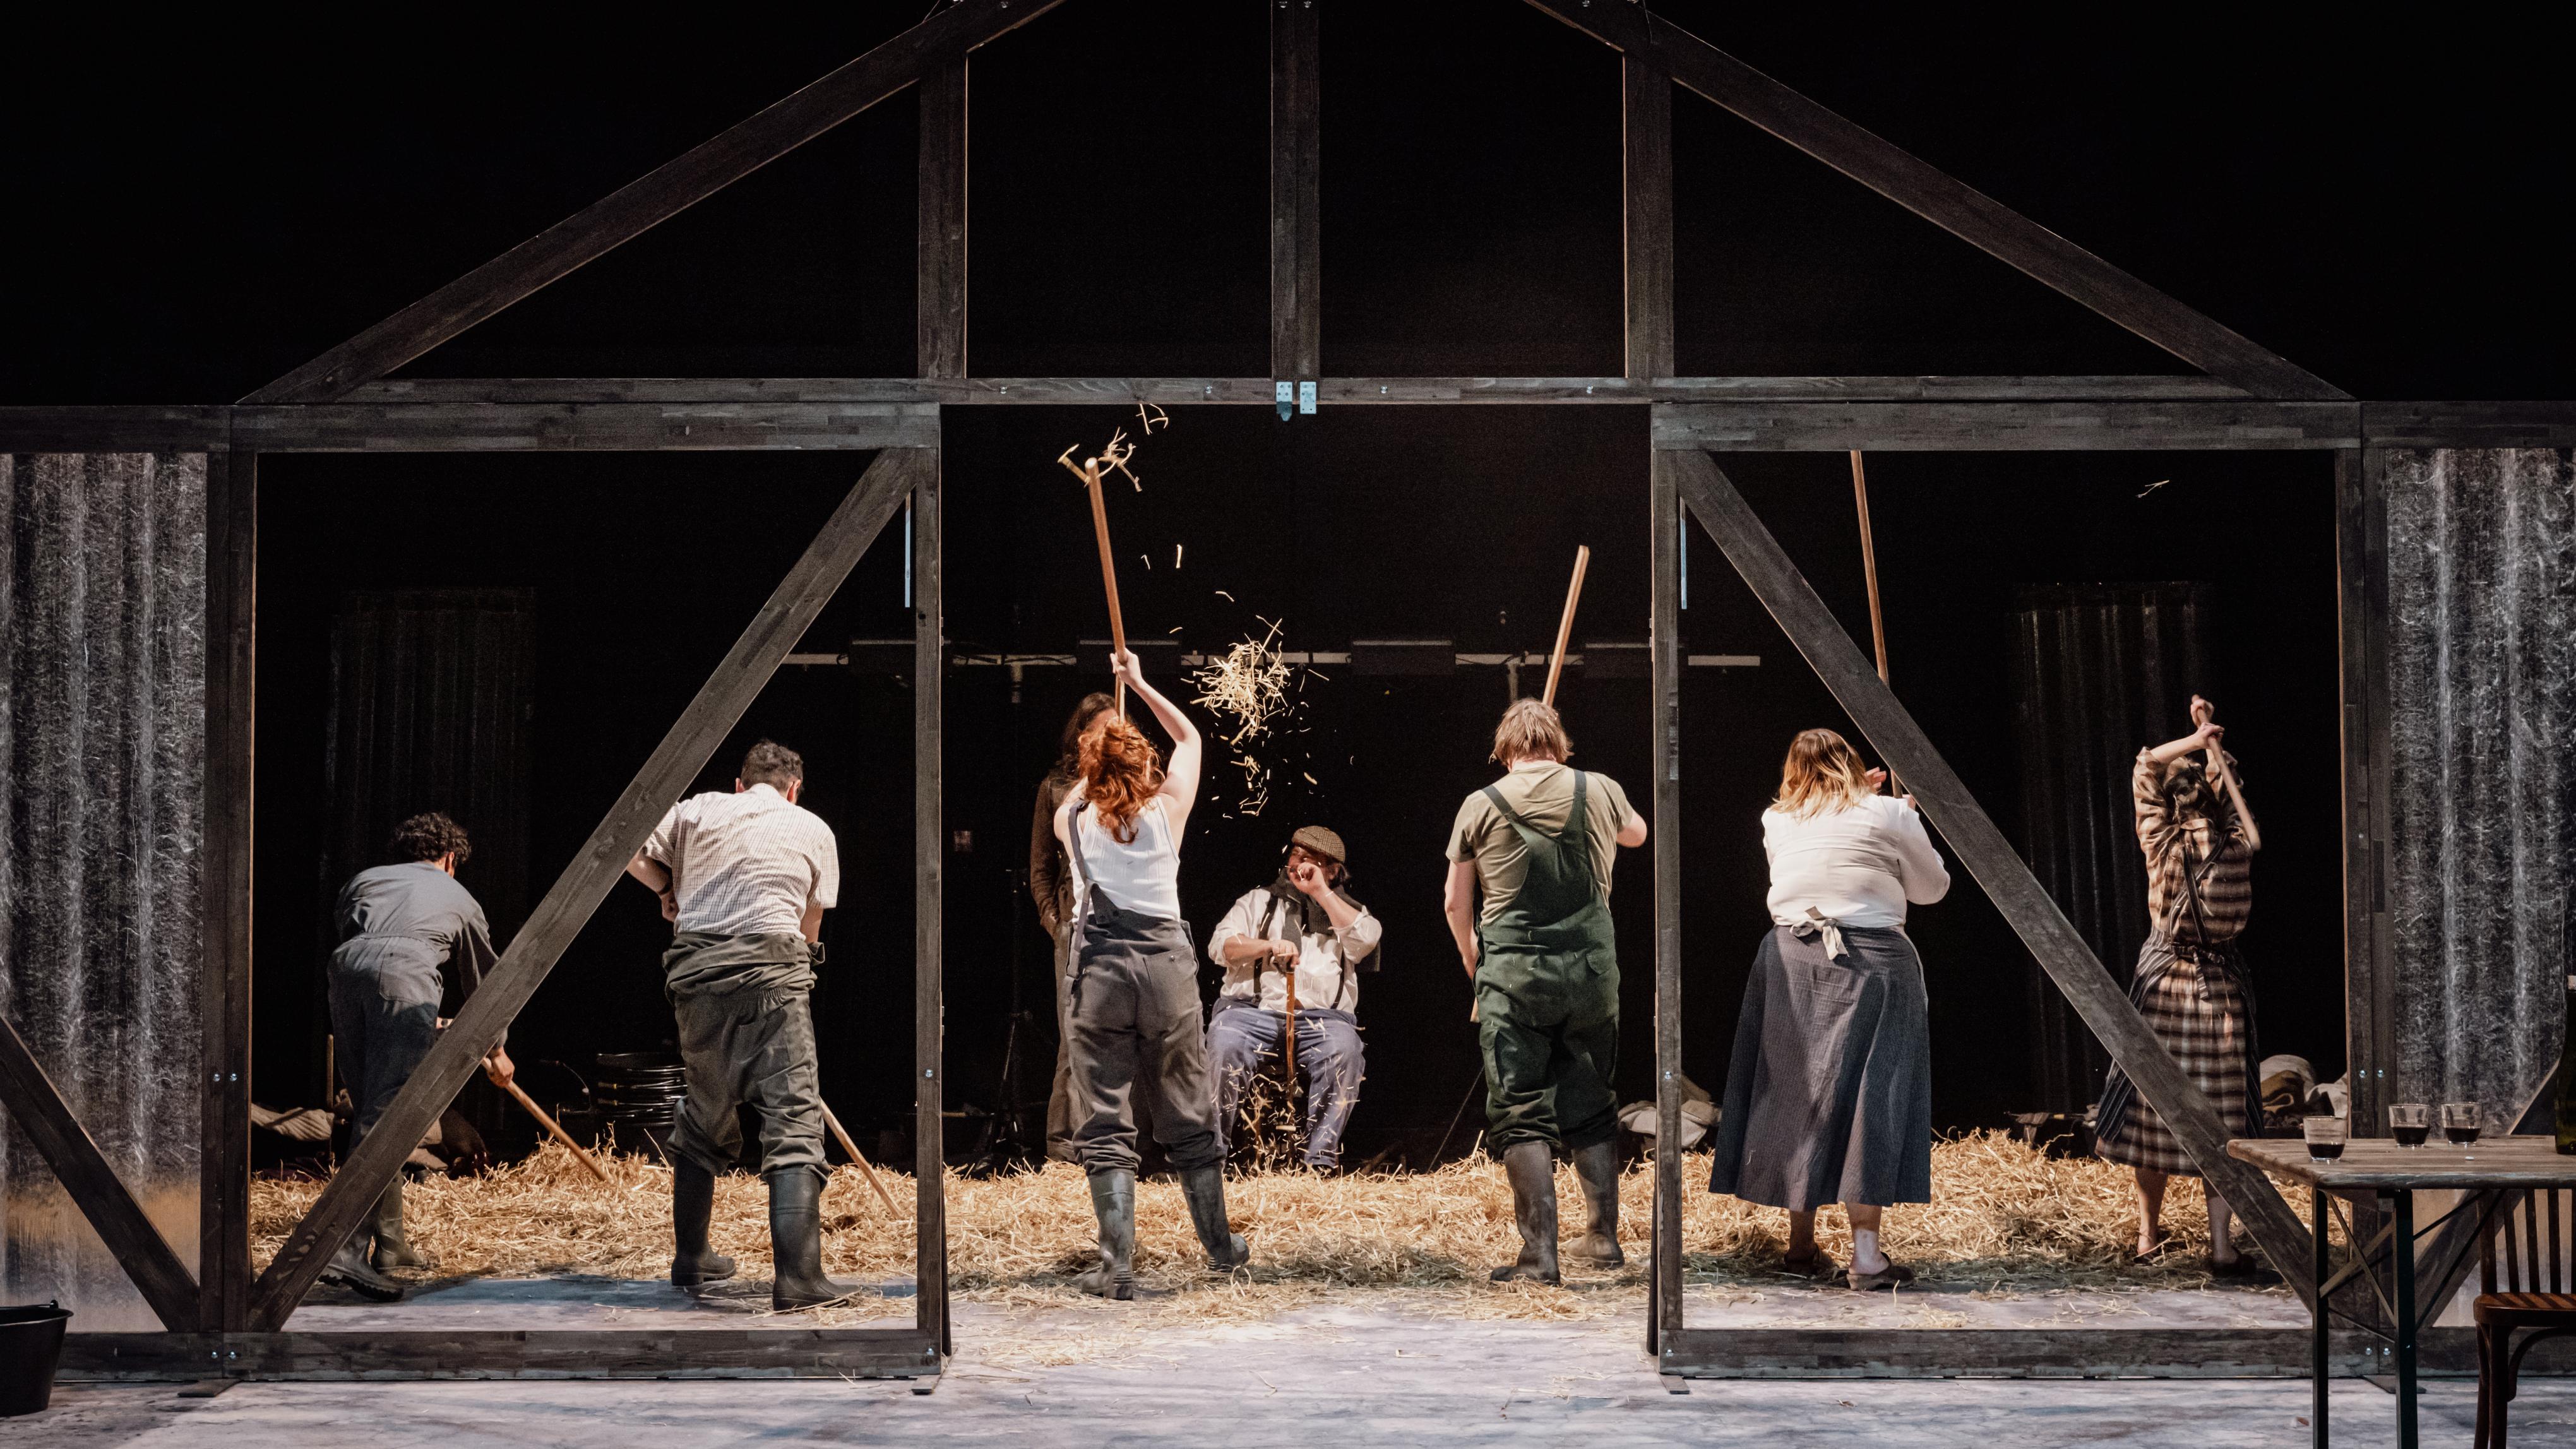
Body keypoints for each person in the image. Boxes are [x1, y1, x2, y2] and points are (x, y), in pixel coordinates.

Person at [1706, 729, 1949, 1291]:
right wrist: (1903, 818)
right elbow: (1931, 889)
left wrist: (1872, 809)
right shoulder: (1887, 812)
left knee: (1801, 1094)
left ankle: (1800, 1246)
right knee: (1873, 1095)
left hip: (1791, 957)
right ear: (1855, 763)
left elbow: (1819, 831)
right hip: (1873, 962)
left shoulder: (1777, 820)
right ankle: (1866, 1256)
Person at [624, 739, 847, 1310]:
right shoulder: (812, 825)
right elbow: (810, 925)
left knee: (703, 1116)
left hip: (697, 977)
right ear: (794, 789)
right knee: (794, 1121)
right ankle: (798, 1278)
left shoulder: (698, 808)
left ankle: (691, 1257)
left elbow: (626, 846)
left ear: (741, 784)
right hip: (773, 974)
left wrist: (666, 889)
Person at [1053, 650, 1248, 1298]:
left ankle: (1117, 1265)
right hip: (1164, 969)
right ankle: (1220, 1248)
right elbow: (1190, 736)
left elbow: (1089, 789)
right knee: (1188, 1107)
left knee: (1105, 1117)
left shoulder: (1072, 820)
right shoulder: (1167, 814)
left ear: (1089, 769)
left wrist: (1098, 753)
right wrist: (1138, 683)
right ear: (1144, 765)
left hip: (1101, 970)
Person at [1443, 699, 1647, 1284]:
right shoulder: (1600, 788)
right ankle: (1603, 1238)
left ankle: (1539, 1257)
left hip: (1515, 976)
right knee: (1592, 1100)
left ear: (1505, 751)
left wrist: (1473, 964)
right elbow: (1636, 833)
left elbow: (1457, 902)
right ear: (1559, 745)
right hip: (1590, 974)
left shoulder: (1480, 804)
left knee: (1520, 1109)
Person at [2094, 695, 2269, 1277]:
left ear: (2171, 803)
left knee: (2154, 1115)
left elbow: (2144, 765)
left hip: (2164, 984)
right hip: (2218, 990)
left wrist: (2195, 739)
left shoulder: (2161, 843)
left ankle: (2147, 1236)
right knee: (2222, 1122)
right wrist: (2212, 740)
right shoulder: (2240, 845)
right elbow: (2231, 785)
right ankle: (2221, 1247)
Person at [316, 811, 515, 1301]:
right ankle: (345, 1251)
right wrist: (497, 1046)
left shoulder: (363, 879)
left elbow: (356, 935)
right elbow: (486, 983)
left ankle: (392, 1245)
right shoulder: (460, 898)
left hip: (345, 973)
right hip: (405, 975)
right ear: (449, 858)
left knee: (372, 1115)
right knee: (387, 1120)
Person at [1207, 825, 1381, 1171]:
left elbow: (1365, 941)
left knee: (1345, 1050)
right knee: (1224, 1045)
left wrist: (1321, 892)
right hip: (1249, 1012)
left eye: (1310, 859)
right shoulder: (1257, 901)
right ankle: (1210, 1158)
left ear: (1331, 871)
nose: (1297, 863)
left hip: (1324, 1021)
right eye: (1295, 854)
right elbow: (1220, 947)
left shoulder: (1348, 912)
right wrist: (1267, 947)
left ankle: (1319, 1162)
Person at [1030, 692, 1119, 1164]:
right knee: (1074, 1036)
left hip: (1123, 921)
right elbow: (1040, 869)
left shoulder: (1131, 784)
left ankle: (1115, 1142)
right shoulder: (1056, 788)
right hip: (1074, 924)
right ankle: (1064, 1147)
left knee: (1118, 1034)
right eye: (1104, 731)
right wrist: (1055, 922)